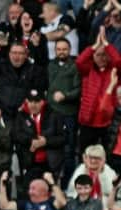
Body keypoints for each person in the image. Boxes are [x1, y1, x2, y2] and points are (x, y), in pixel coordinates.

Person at [76, 27, 121, 153]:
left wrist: (106, 44)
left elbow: (118, 60)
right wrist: (94, 46)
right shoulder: (88, 70)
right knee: (84, 154)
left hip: (108, 123)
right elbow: (79, 61)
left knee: (106, 155)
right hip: (88, 122)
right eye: (98, 55)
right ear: (93, 56)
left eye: (104, 55)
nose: (101, 58)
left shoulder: (114, 71)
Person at [47, 37, 80, 188]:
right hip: (53, 113)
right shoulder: (50, 65)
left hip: (69, 114)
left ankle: (68, 185)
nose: (61, 52)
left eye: (64, 49)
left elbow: (79, 90)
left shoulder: (75, 66)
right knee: (52, 149)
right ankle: (51, 185)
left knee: (69, 151)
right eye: (58, 49)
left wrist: (65, 95)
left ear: (69, 50)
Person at [12, 89, 64, 183]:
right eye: (30, 101)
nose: (33, 104)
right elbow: (16, 135)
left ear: (43, 102)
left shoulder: (54, 115)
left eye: (37, 101)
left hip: (50, 163)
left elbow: (63, 138)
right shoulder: (21, 116)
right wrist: (31, 141)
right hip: (29, 163)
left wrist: (46, 141)